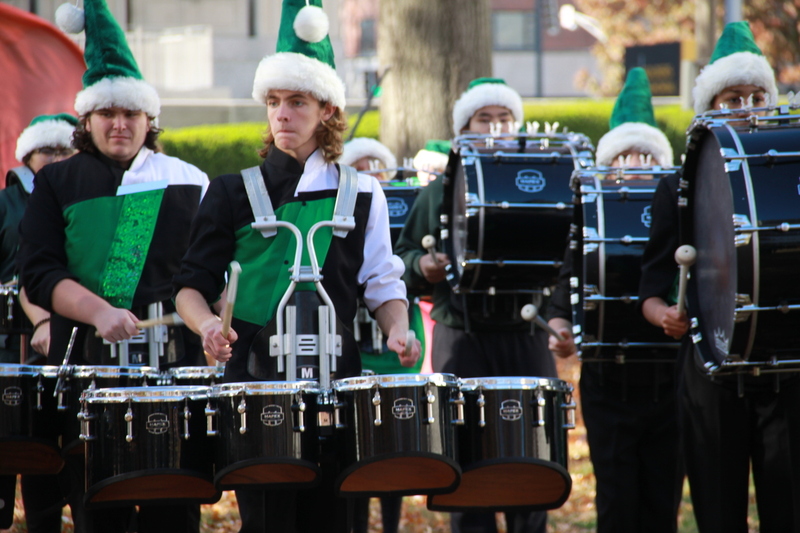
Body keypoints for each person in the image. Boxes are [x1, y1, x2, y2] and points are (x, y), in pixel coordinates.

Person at [173, 2, 420, 532]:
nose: (282, 114)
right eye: (275, 102)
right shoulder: (230, 191)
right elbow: (190, 288)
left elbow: (382, 282)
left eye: (297, 101)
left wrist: (398, 329)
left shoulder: (363, 193)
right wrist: (208, 325)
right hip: (255, 385)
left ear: (327, 109)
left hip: (341, 387)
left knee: (339, 521)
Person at [18, 0, 209, 531]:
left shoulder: (189, 180)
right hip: (85, 369)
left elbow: (210, 272)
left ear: (151, 119)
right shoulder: (57, 182)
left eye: (131, 114)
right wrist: (99, 310)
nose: (120, 124)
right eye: (108, 113)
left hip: (173, 373)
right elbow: (39, 272)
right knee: (99, 510)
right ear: (87, 118)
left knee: (173, 511)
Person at [638, 22, 799, 533]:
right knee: (717, 510)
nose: (748, 105)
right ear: (710, 106)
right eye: (733, 96)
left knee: (790, 508)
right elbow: (650, 284)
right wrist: (662, 313)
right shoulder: (679, 184)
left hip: (786, 365)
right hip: (711, 366)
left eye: (757, 95)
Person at [394, 77, 553, 533]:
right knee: (465, 472)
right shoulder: (438, 190)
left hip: (526, 339)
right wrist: (422, 265)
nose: (497, 128)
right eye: (485, 118)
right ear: (463, 130)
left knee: (531, 470)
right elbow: (399, 261)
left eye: (505, 119)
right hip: (460, 340)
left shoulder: (537, 185)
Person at [547, 68, 683, 533]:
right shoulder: (591, 207)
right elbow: (570, 275)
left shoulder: (681, 207)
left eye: (647, 154)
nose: (638, 163)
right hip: (609, 377)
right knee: (617, 501)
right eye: (626, 154)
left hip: (671, 375)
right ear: (610, 161)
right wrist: (562, 323)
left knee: (661, 500)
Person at [0, 113, 77, 533]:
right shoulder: (5, 203)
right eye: (48, 150)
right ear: (28, 155)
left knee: (60, 440)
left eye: (66, 150)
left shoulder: (81, 198)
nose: (57, 159)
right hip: (15, 347)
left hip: (69, 341)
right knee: (25, 445)